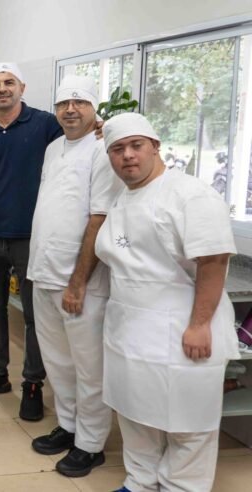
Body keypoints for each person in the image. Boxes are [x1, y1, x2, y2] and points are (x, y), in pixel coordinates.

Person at [96, 113, 239, 492]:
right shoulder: (123, 196)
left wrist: (199, 325)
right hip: (129, 329)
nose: (128, 155)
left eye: (136, 145)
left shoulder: (189, 194)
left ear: (155, 147)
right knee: (134, 411)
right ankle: (140, 481)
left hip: (183, 327)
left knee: (188, 420)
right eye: (117, 149)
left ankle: (183, 486)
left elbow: (213, 261)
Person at [26, 76, 123, 478]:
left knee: (89, 367)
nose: (70, 109)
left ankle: (91, 443)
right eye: (63, 102)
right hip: (43, 272)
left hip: (80, 280)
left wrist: (79, 281)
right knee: (58, 362)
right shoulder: (53, 148)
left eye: (80, 102)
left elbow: (99, 217)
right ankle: (68, 426)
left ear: (93, 108)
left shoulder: (102, 149)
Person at [0, 62, 63, 422]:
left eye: (9, 82)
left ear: (22, 86)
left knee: (35, 314)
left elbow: (78, 142)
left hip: (31, 235)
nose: (2, 88)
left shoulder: (45, 125)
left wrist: (100, 128)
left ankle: (33, 382)